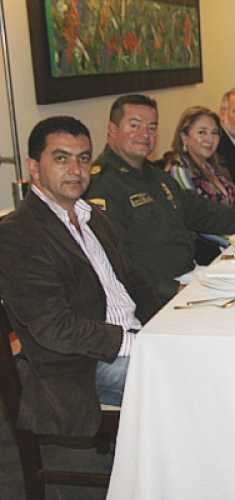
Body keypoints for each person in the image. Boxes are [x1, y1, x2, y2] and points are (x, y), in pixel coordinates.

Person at [0, 116, 159, 436]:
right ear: (34, 167)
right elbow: (55, 328)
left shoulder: (93, 216)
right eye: (61, 158)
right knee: (188, 379)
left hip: (133, 337)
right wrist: (136, 343)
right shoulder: (17, 234)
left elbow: (133, 282)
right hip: (81, 367)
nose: (76, 169)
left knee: (208, 354)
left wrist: (165, 325)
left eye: (83, 158)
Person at [85, 94, 235, 303]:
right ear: (112, 129)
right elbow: (116, 262)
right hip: (156, 296)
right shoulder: (102, 185)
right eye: (135, 126)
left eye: (152, 127)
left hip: (190, 276)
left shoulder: (155, 176)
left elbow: (203, 212)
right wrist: (176, 290)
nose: (145, 134)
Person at [163, 106, 235, 264]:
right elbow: (196, 221)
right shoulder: (179, 170)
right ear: (184, 137)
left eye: (214, 133)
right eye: (202, 132)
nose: (209, 139)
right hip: (208, 255)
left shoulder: (214, 167)